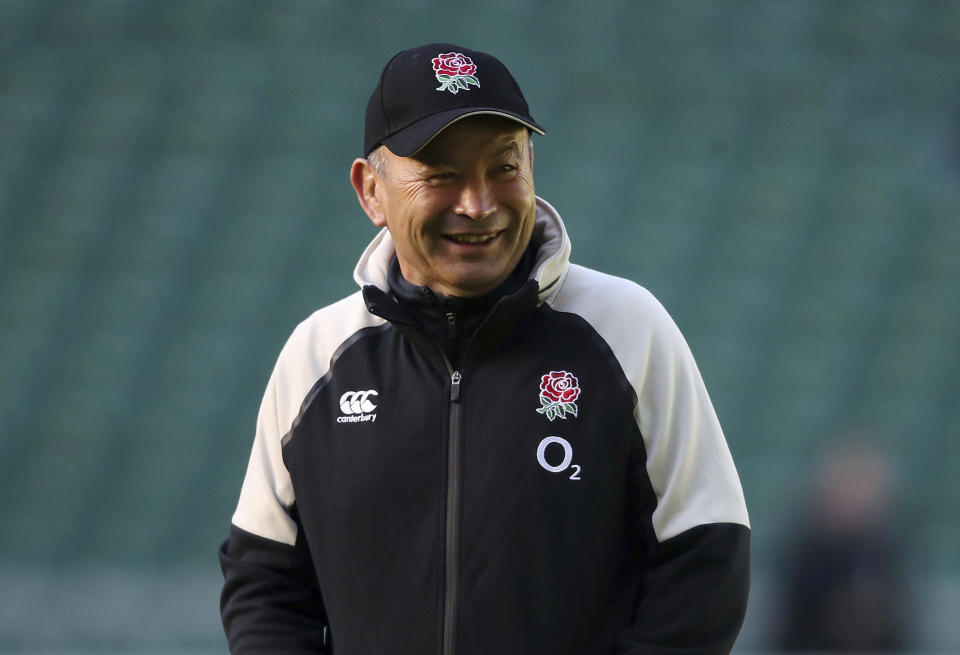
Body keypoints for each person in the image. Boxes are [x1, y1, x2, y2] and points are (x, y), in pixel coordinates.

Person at [219, 43, 751, 655]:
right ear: (371, 191)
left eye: (503, 167)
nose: (478, 204)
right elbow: (263, 582)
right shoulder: (318, 356)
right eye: (441, 175)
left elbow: (706, 557)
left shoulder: (629, 329)